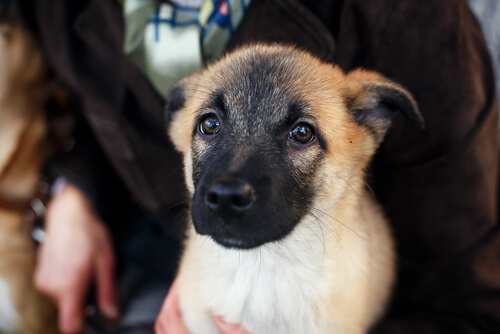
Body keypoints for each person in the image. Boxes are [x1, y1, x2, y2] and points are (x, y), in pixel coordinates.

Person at [24, 0, 500, 333]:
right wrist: (75, 191)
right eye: (208, 125)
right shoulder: (54, 8)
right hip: (148, 250)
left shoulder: (411, 15)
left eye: (300, 134)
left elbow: (473, 306)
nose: (231, 183)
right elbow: (92, 98)